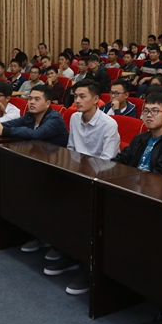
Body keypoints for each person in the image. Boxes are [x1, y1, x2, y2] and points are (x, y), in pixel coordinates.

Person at [49, 80, 120, 294]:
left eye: (82, 96)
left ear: (96, 99)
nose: (77, 101)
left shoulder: (109, 124)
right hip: (77, 175)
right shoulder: (74, 117)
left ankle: (86, 264)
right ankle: (68, 253)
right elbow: (71, 149)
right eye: (75, 96)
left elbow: (107, 161)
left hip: (100, 179)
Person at [113, 92, 162, 176]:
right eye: (146, 111)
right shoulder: (140, 138)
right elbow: (120, 160)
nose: (149, 115)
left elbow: (161, 176)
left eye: (155, 111)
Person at [0, 84, 68, 148]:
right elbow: (11, 123)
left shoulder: (55, 118)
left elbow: (37, 134)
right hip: (36, 155)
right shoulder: (30, 115)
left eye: (37, 99)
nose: (32, 102)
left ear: (47, 104)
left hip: (54, 159)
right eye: (30, 98)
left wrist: (4, 131)